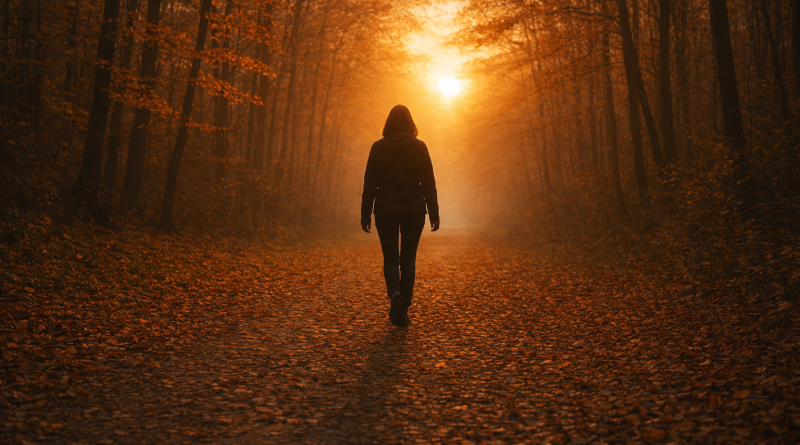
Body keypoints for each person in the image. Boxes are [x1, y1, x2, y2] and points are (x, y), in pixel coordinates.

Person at [361, 105, 440, 326]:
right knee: (408, 259)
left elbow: (370, 184)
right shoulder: (419, 147)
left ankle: (394, 292)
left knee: (390, 258)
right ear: (410, 122)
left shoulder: (378, 148)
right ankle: (403, 306)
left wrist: (365, 214)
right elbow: (428, 183)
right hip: (413, 210)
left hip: (385, 209)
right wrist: (434, 214)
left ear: (388, 123)